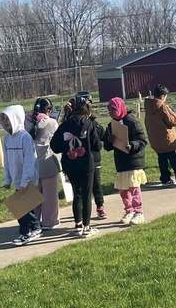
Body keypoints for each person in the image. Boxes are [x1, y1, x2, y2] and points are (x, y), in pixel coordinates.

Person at [50, 96, 103, 237]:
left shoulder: (64, 125)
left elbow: (54, 146)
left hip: (70, 164)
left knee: (76, 194)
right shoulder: (88, 123)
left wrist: (66, 147)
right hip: (86, 164)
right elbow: (97, 145)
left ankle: (77, 225)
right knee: (86, 194)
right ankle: (87, 226)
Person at [0, 104, 41, 245]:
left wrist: (25, 182)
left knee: (23, 207)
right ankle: (31, 229)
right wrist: (7, 179)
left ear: (16, 119)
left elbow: (30, 161)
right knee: (22, 207)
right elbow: (7, 161)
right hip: (17, 178)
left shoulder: (25, 137)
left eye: (8, 120)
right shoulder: (6, 139)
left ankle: (28, 231)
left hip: (28, 178)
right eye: (3, 121)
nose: (5, 124)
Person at [103, 97, 148, 225]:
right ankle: (129, 211)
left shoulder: (132, 121)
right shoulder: (111, 125)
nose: (111, 113)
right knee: (123, 190)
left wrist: (132, 145)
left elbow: (143, 140)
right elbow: (107, 146)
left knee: (134, 188)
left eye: (113, 110)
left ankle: (139, 212)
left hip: (133, 161)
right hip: (121, 162)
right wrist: (109, 140)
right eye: (110, 110)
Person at [25, 97, 60, 230]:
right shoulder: (52, 122)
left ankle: (34, 221)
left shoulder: (26, 121)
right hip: (48, 161)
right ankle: (49, 222)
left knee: (34, 196)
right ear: (49, 110)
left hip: (31, 163)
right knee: (50, 196)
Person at [144, 85, 176, 186]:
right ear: (163, 96)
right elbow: (172, 122)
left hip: (155, 139)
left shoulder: (148, 106)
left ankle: (165, 179)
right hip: (167, 139)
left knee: (162, 159)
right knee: (175, 158)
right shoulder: (162, 106)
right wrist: (175, 114)